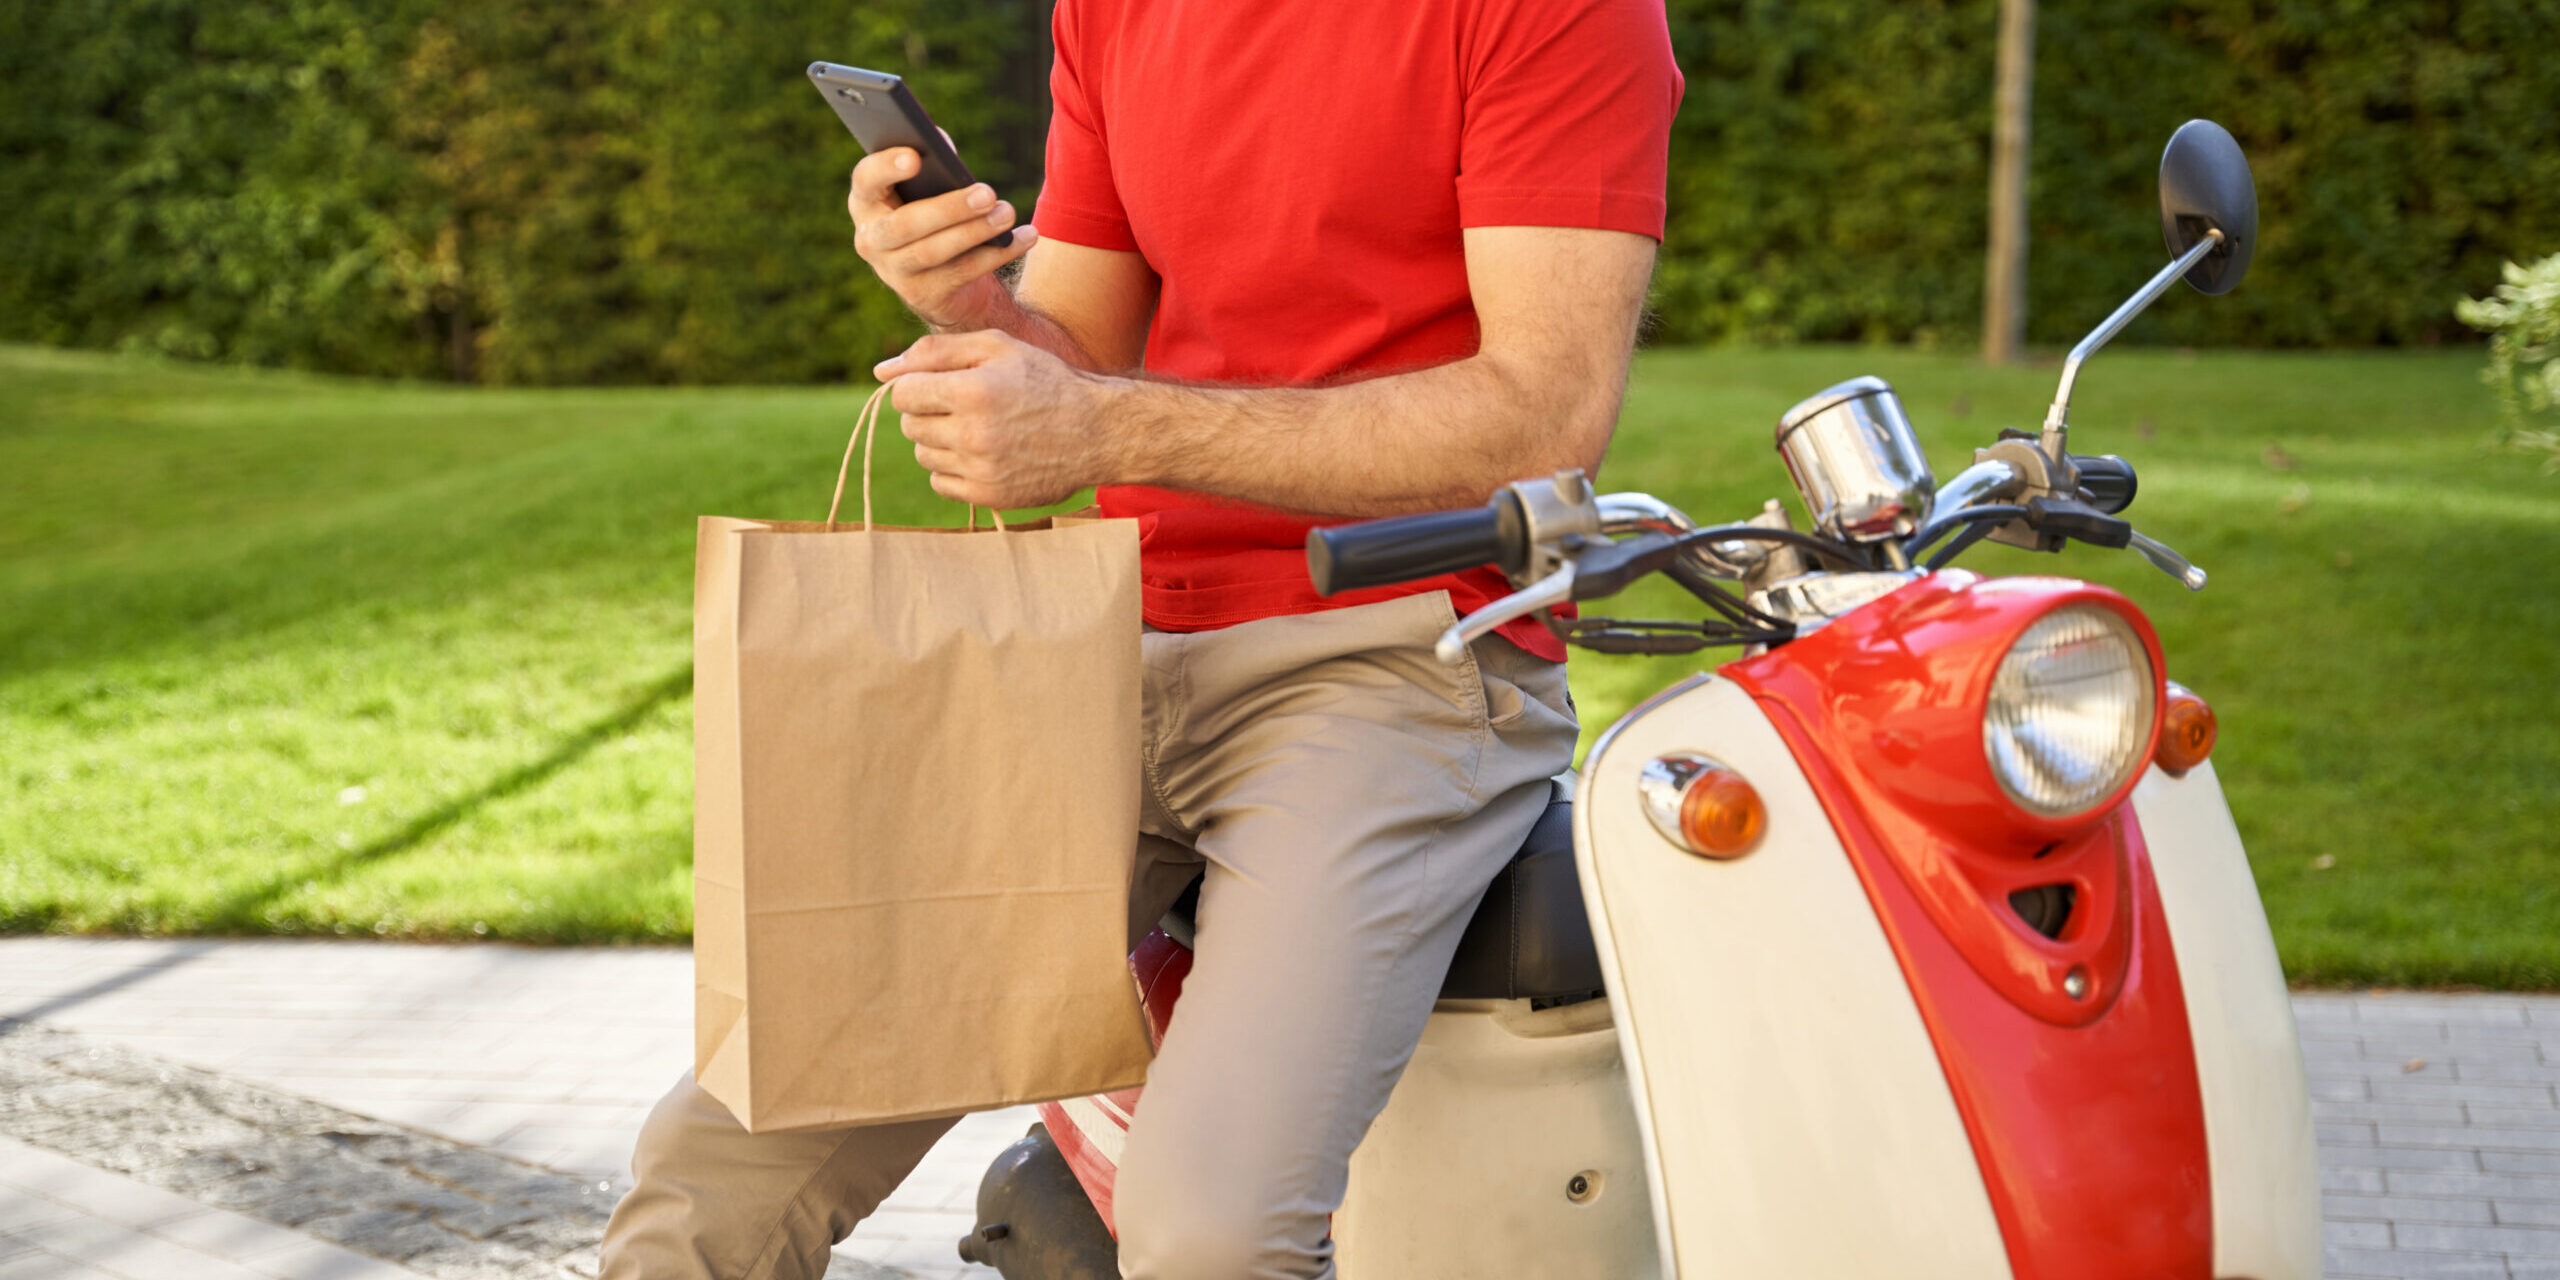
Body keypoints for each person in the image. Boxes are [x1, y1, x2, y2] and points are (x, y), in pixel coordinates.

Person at [600, 0, 1679, 1276]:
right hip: (1099, 655)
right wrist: (959, 298)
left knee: (1207, 1232)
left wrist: (1104, 430)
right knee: (710, 1167)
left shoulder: (1557, 14)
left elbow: (1539, 416)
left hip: (1390, 664)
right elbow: (1075, 365)